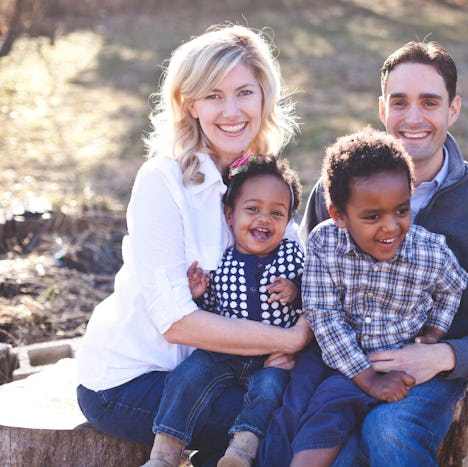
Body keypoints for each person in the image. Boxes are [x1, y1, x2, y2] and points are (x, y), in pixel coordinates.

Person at [272, 40, 468, 466]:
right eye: (400, 102)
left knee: (389, 430)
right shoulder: (336, 190)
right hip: (340, 361)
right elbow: (312, 292)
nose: (413, 118)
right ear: (382, 109)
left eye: (429, 102)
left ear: (453, 110)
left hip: (425, 369)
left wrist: (442, 355)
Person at [75, 24, 312, 467]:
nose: (232, 110)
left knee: (309, 408)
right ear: (190, 103)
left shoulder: (264, 183)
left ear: (264, 97)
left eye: (244, 92)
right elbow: (177, 324)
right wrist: (289, 339)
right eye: (213, 95)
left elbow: (296, 271)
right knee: (283, 427)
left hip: (224, 372)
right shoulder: (162, 181)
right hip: (135, 379)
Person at [281, 127, 468, 467]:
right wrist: (366, 377)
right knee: (319, 413)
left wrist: (436, 331)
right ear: (338, 215)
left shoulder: (429, 252)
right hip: (347, 365)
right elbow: (323, 315)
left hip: (401, 366)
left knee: (388, 429)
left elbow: (453, 285)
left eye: (401, 210)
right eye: (372, 216)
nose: (390, 227)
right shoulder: (326, 244)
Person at [145, 155, 305, 467]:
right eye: (253, 209)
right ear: (230, 214)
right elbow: (211, 311)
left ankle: (241, 450)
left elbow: (316, 295)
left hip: (271, 357)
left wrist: (295, 290)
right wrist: (198, 294)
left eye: (277, 213)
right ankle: (165, 450)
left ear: (287, 222)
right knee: (187, 376)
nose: (264, 219)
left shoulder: (292, 256)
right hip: (224, 350)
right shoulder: (222, 260)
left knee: (270, 390)